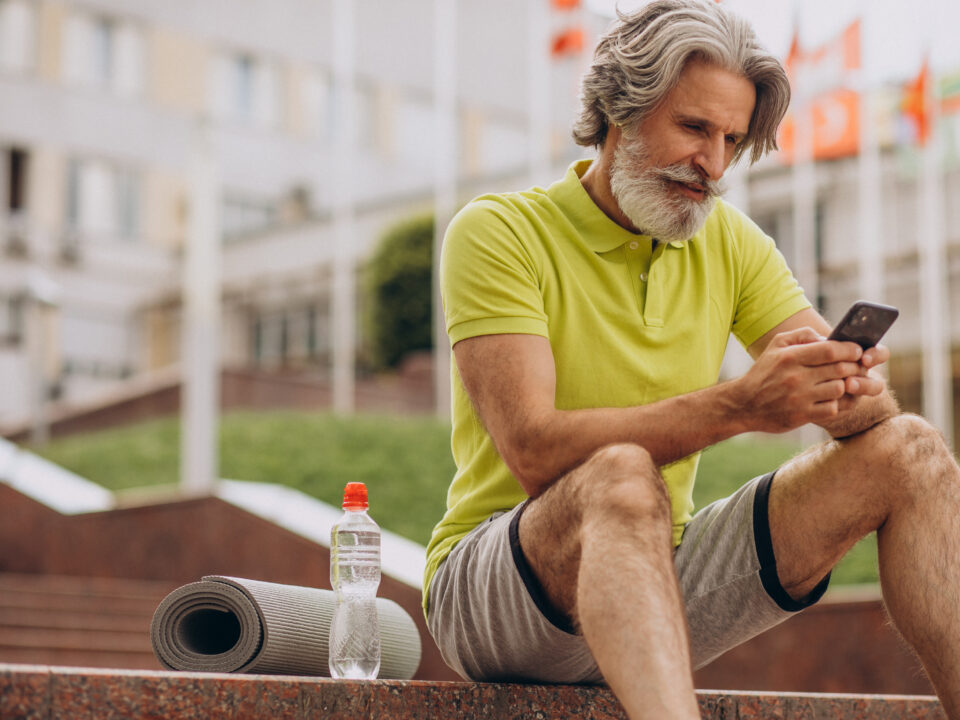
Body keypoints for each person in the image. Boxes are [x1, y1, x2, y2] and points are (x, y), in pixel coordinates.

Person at [422, 1, 960, 718]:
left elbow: (854, 411)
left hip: (659, 577)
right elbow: (532, 448)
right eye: (695, 128)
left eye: (732, 140)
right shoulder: (499, 233)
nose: (712, 163)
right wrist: (740, 406)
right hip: (501, 590)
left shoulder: (729, 240)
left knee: (911, 448)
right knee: (619, 473)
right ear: (621, 109)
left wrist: (846, 384)